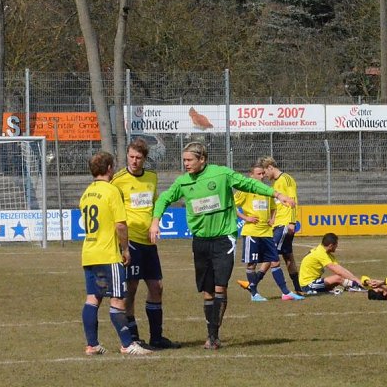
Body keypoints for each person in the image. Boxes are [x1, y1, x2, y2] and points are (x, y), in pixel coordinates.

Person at [149, 142, 295, 350]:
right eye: (184, 160)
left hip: (224, 239)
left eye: (190, 160)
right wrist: (155, 221)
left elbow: (250, 184)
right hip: (200, 241)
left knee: (220, 286)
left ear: (202, 159)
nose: (186, 164)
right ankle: (212, 333)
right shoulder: (183, 182)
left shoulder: (222, 174)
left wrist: (278, 195)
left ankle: (213, 336)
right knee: (207, 291)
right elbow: (164, 198)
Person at [79, 151, 153, 356]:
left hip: (89, 253)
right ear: (109, 168)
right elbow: (120, 224)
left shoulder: (87, 193)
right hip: (107, 254)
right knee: (118, 299)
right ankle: (127, 344)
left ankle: (92, 344)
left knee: (92, 298)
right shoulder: (112, 191)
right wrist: (126, 249)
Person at [110, 137, 180, 350]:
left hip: (149, 242)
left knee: (157, 287)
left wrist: (154, 223)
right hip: (131, 242)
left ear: (144, 158)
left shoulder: (151, 177)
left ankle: (156, 338)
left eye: (138, 158)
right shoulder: (119, 179)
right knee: (131, 289)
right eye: (131, 157)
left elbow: (155, 202)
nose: (134, 161)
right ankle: (133, 337)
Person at [234, 159, 304, 302]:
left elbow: (273, 206)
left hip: (266, 232)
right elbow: (231, 205)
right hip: (251, 232)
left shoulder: (266, 190)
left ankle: (285, 292)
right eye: (259, 174)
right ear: (251, 175)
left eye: (262, 174)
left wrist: (272, 218)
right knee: (252, 264)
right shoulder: (245, 190)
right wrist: (245, 218)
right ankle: (254, 294)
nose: (262, 176)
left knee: (275, 261)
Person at [261, 157, 302, 294]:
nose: (265, 175)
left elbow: (293, 201)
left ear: (270, 167)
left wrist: (292, 222)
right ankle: (298, 288)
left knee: (271, 252)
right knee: (287, 255)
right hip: (278, 224)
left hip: (285, 224)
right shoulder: (275, 184)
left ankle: (254, 281)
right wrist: (272, 218)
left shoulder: (286, 179)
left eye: (265, 172)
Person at [298, 232, 364, 295]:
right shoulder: (320, 253)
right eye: (336, 245)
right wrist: (357, 281)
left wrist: (356, 279)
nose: (337, 246)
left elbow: (340, 268)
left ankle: (353, 285)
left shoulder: (323, 251)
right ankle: (355, 286)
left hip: (314, 282)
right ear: (331, 246)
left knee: (337, 280)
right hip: (307, 285)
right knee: (337, 278)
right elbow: (338, 271)